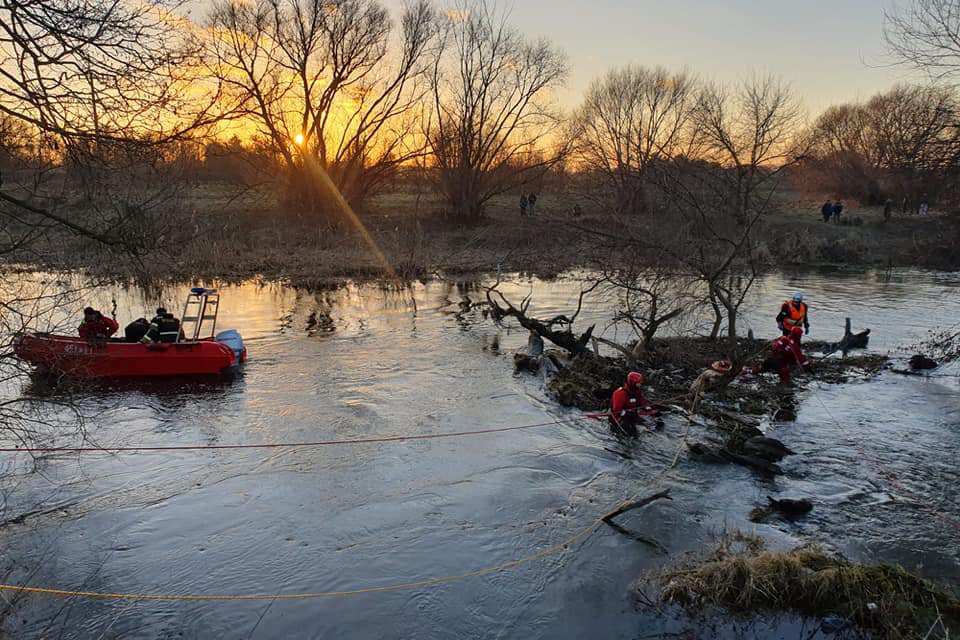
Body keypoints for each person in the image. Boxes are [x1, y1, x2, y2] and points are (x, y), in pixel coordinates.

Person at [610, 372, 654, 437]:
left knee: (652, 425)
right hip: (620, 419)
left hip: (633, 416)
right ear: (633, 382)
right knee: (631, 433)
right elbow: (616, 410)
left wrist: (649, 409)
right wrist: (626, 413)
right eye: (639, 383)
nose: (640, 385)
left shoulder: (637, 391)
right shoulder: (620, 393)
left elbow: (641, 401)